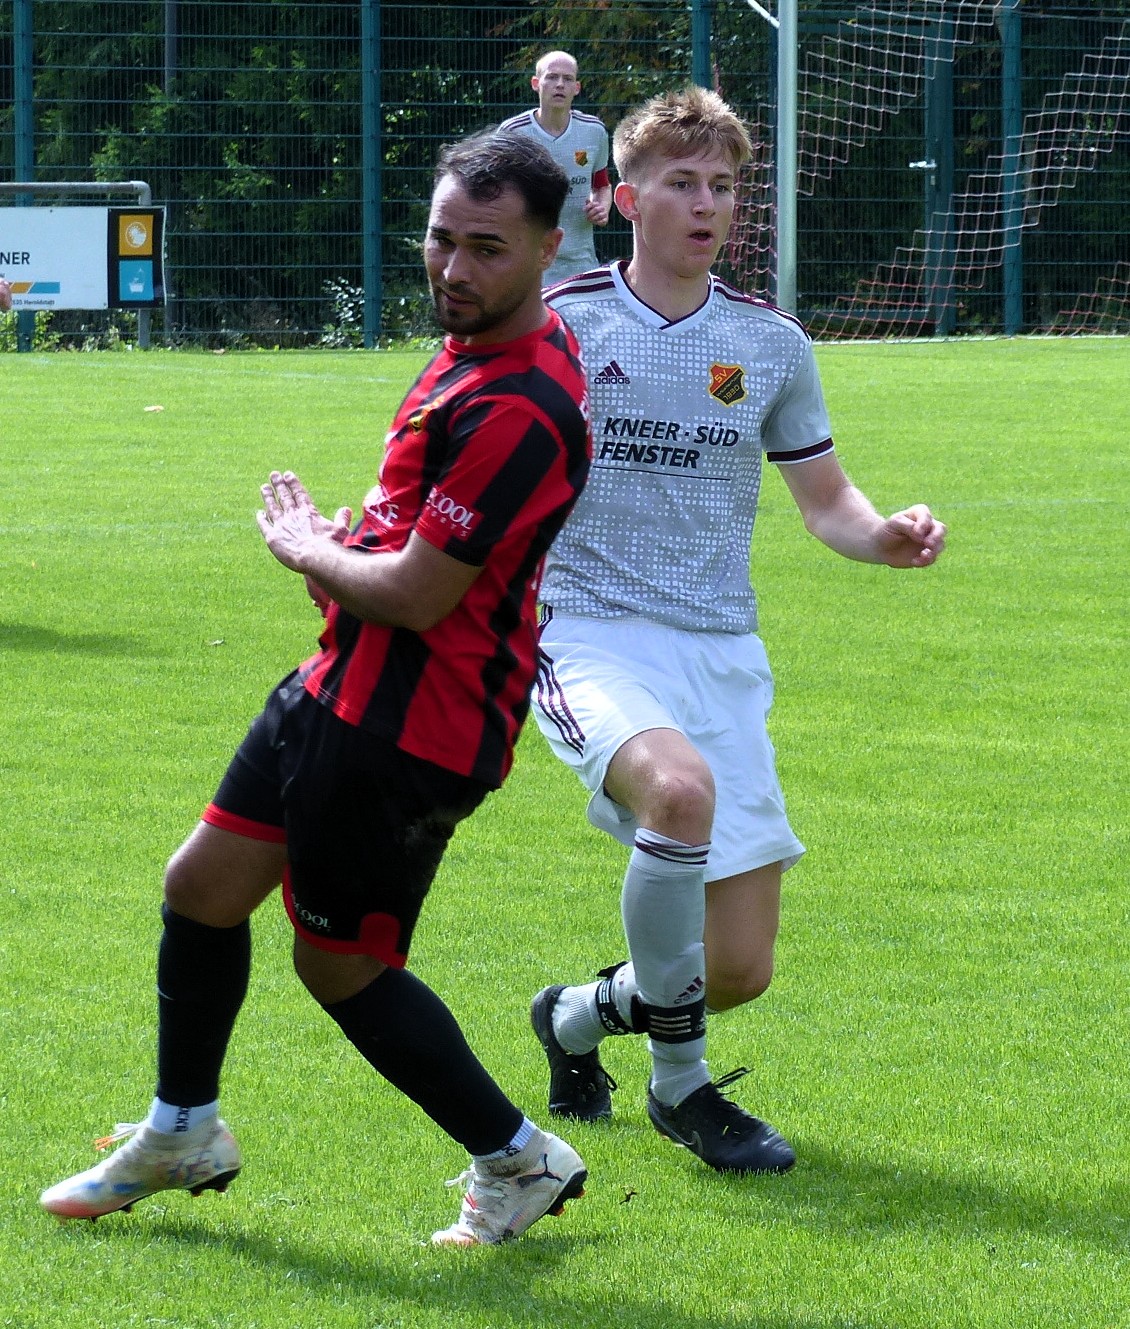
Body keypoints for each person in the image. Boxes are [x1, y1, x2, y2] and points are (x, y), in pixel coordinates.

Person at [40, 129, 594, 1247]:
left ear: (548, 247)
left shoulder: (523, 405)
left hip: (413, 723)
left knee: (341, 964)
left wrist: (309, 549)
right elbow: (406, 550)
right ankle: (183, 1128)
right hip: (338, 684)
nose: (453, 268)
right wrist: (347, 553)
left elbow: (420, 595)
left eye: (486, 248)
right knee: (201, 887)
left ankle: (520, 1158)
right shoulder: (468, 349)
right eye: (440, 239)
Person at [528, 86, 947, 1175]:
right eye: (681, 182)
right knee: (676, 795)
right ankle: (682, 1089)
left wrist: (884, 535)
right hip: (584, 633)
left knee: (739, 968)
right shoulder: (559, 321)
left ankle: (572, 1017)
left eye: (721, 185)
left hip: (719, 649)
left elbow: (827, 501)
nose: (706, 203)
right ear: (625, 198)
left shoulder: (768, 343)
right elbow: (472, 451)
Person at [499, 50, 611, 287]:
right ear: (536, 83)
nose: (560, 84)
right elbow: (498, 195)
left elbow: (601, 185)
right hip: (528, 262)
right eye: (551, 77)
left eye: (567, 79)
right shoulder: (513, 133)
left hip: (580, 264)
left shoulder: (594, 131)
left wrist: (601, 207)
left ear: (577, 88)